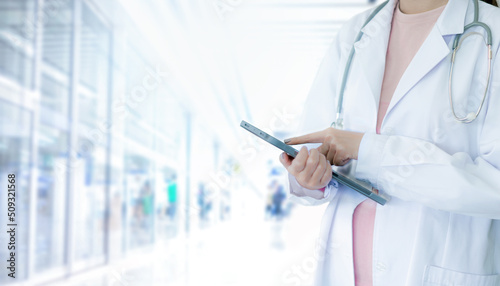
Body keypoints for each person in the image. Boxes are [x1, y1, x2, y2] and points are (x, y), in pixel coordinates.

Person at [279, 0, 500, 285]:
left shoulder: (492, 35)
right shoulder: (357, 32)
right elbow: (313, 145)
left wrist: (369, 151)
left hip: (436, 268)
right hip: (348, 270)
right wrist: (310, 175)